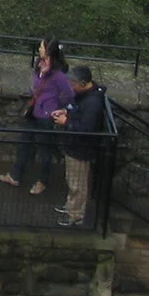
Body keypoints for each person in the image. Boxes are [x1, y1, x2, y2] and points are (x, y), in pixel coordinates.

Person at [4, 39, 73, 198]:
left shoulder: (59, 75)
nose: (39, 49)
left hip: (46, 117)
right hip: (33, 111)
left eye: (41, 46)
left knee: (44, 150)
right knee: (24, 143)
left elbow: (69, 94)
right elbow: (36, 84)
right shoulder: (40, 66)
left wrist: (55, 107)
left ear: (48, 50)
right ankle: (15, 175)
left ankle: (43, 180)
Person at [57, 65, 113, 228]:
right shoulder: (84, 96)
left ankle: (76, 215)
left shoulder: (92, 103)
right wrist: (66, 113)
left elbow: (86, 129)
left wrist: (66, 122)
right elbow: (75, 110)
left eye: (72, 84)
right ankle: (70, 206)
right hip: (74, 146)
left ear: (82, 83)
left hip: (81, 149)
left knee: (78, 184)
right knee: (72, 180)